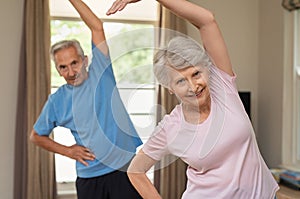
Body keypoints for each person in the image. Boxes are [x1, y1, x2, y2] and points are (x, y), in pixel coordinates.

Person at [107, 0, 279, 198]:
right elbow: (135, 171)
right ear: (170, 88)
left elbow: (207, 21)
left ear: (206, 69)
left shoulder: (222, 86)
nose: (193, 86)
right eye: (181, 81)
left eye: (196, 73)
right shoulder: (172, 127)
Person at [29, 0, 143, 198]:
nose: (71, 71)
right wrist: (68, 151)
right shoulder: (57, 101)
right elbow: (36, 136)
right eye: (63, 67)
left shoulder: (102, 72)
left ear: (85, 60)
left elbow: (96, 26)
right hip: (89, 177)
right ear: (58, 70)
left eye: (74, 63)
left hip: (125, 169)